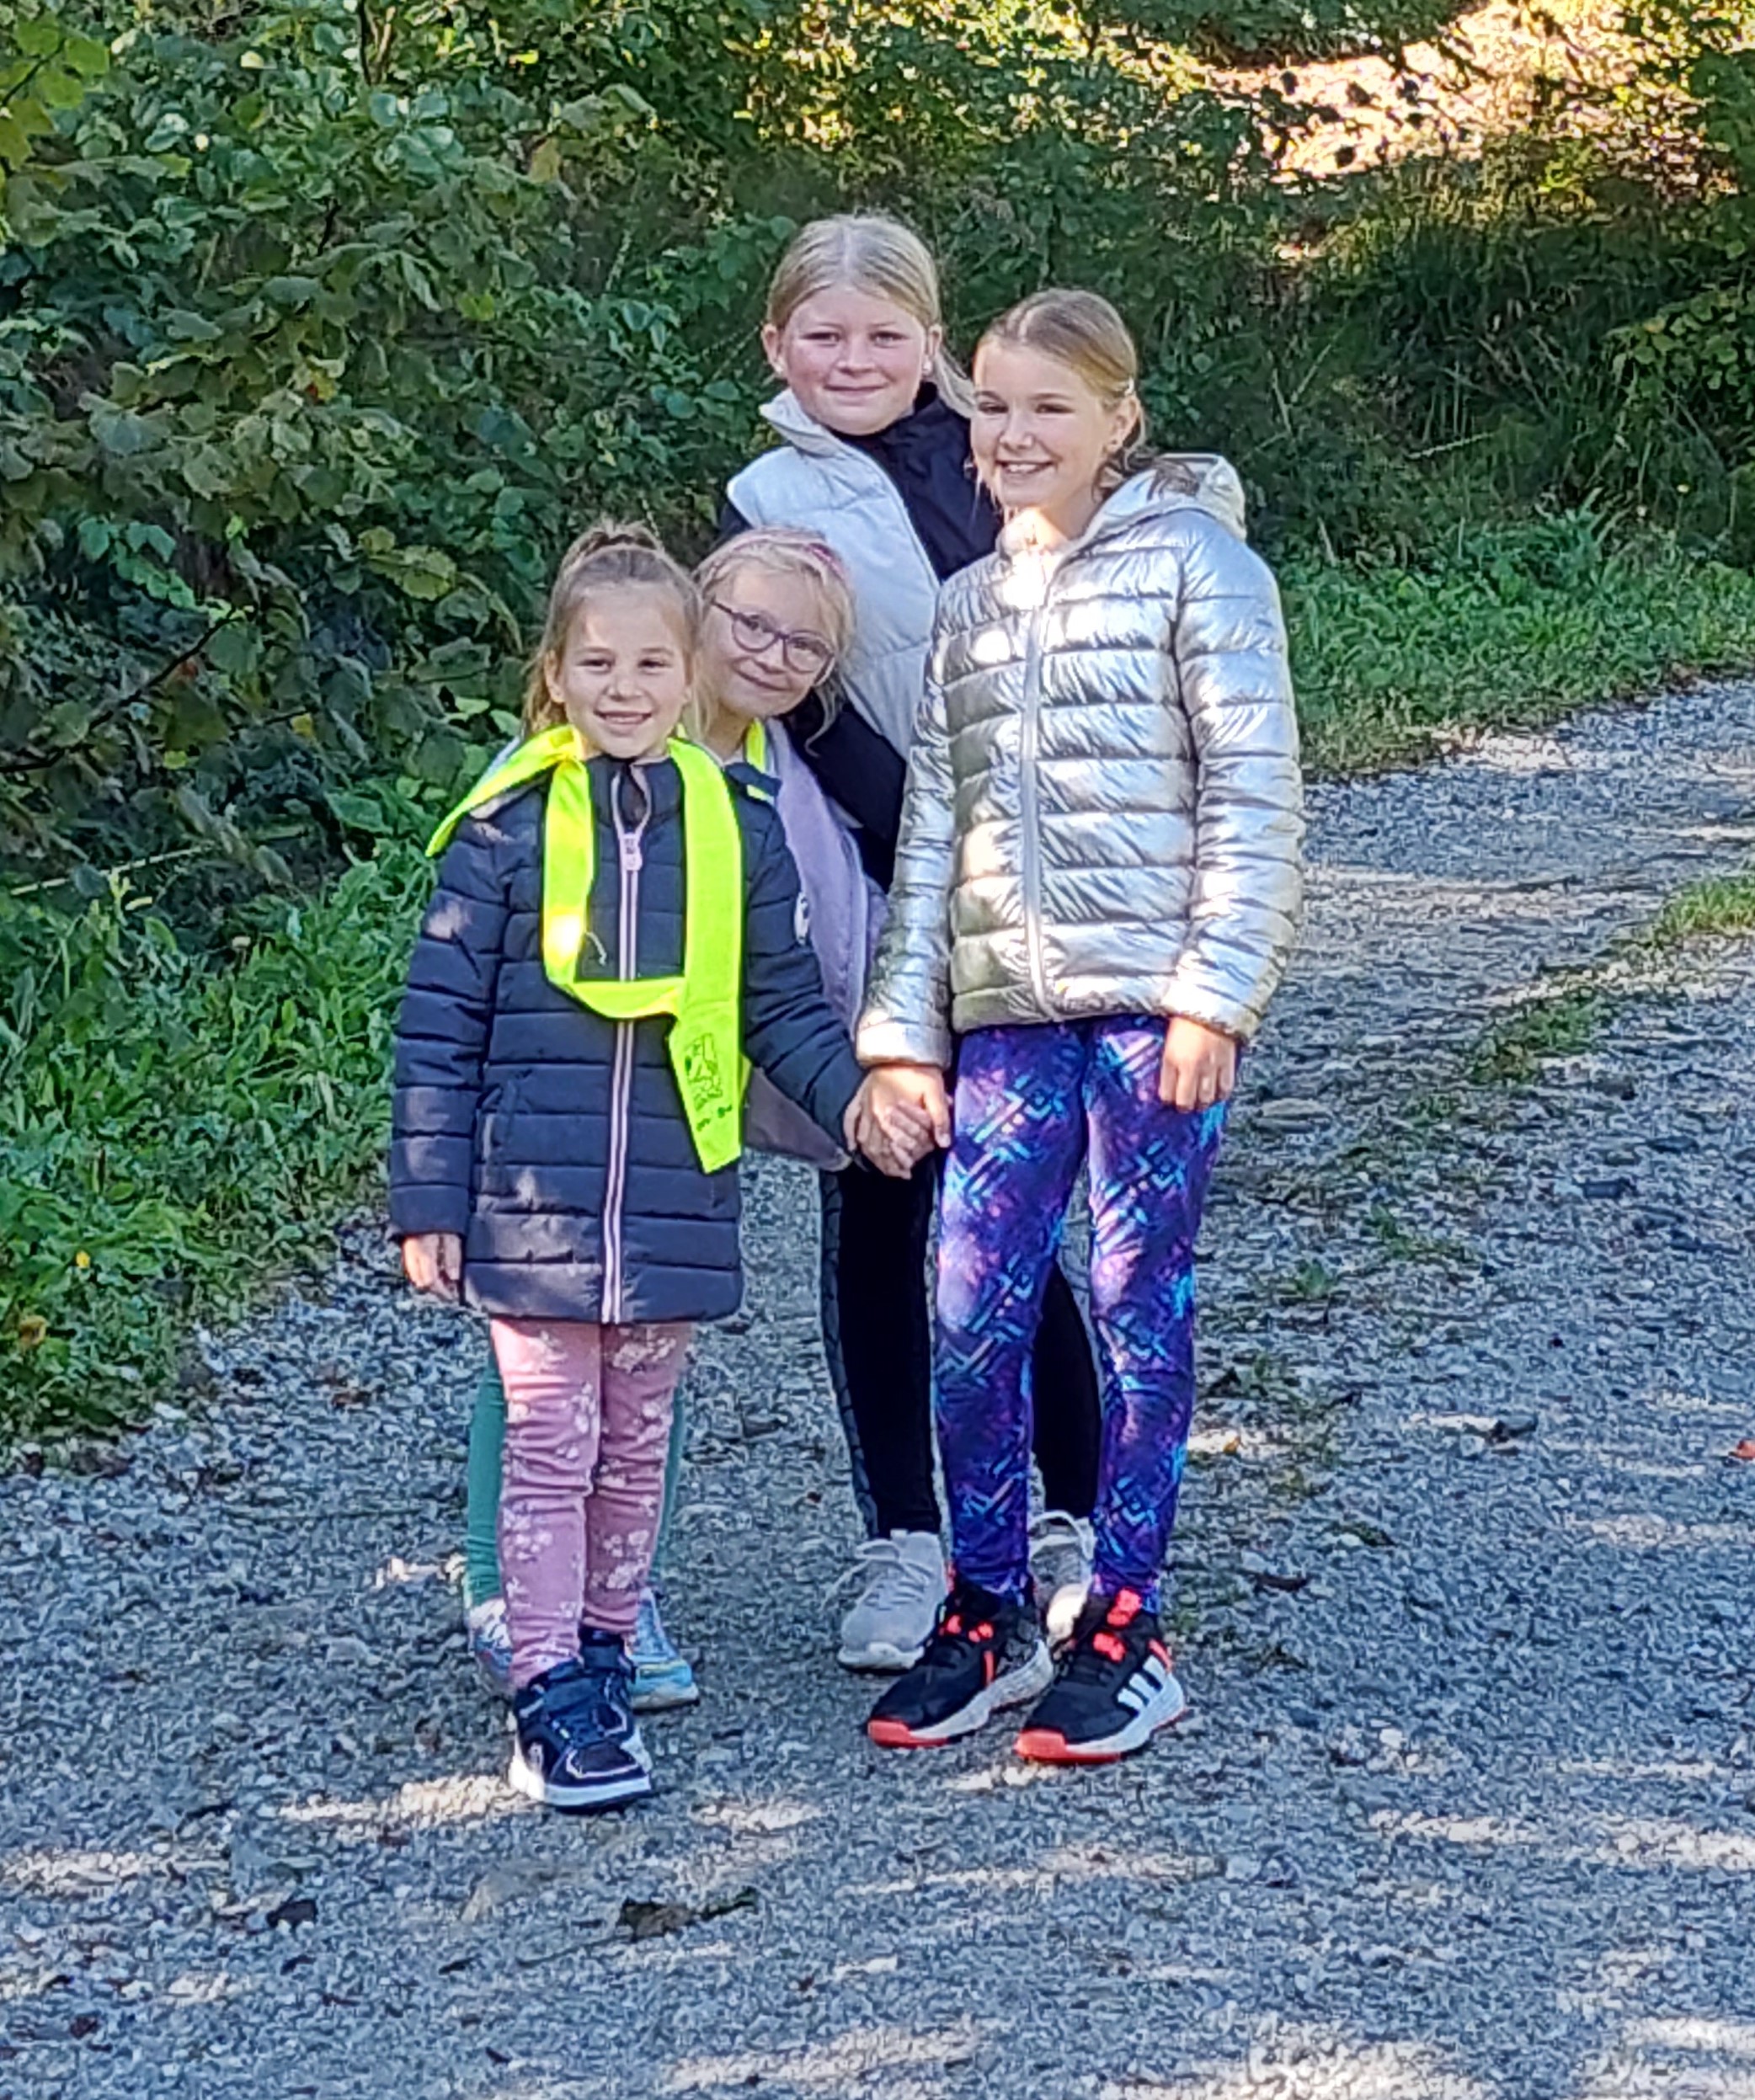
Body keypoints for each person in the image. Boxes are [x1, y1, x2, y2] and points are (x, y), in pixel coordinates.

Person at [854, 289, 1304, 1764]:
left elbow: (1254, 792)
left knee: (1130, 1300)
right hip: (1007, 1018)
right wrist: (901, 1032)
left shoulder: (1201, 568)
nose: (1015, 433)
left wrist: (1214, 993)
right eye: (992, 404)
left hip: (1152, 1011)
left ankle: (1124, 1621)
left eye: (1050, 406)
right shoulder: (971, 605)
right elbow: (933, 834)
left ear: (1120, 417)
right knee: (969, 1306)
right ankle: (988, 1605)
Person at [390, 525, 878, 1813]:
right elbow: (437, 1025)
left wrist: (858, 1103)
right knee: (552, 1443)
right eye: (597, 662)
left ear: (690, 670)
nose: (625, 686)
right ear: (555, 674)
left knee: (636, 1447)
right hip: (530, 1205)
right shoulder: (501, 830)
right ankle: (545, 1683)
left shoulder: (738, 828)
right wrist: (429, 1199)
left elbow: (783, 1005)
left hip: (673, 1200)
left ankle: (606, 1649)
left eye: (653, 663)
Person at [725, 213, 1104, 1670]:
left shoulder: (1006, 447)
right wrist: (918, 842)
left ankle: (1071, 1516)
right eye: (824, 334)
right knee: (886, 1201)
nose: (855, 359)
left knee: (1012, 1209)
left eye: (886, 333)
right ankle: (907, 1537)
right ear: (778, 347)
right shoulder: (767, 499)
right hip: (886, 895)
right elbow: (791, 694)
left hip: (1044, 889)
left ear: (932, 341)